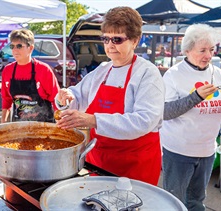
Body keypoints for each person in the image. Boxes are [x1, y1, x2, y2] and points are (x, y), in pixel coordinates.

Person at [55, 7, 164, 186]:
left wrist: (93, 120)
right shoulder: (103, 70)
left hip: (135, 165)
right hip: (100, 160)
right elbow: (78, 96)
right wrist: (66, 97)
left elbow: (145, 120)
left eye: (117, 39)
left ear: (135, 41)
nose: (110, 45)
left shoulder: (147, 73)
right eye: (106, 38)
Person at [159, 24, 221, 211]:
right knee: (173, 202)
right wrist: (196, 97)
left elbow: (220, 110)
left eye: (211, 50)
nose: (208, 55)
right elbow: (165, 112)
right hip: (179, 151)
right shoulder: (174, 75)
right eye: (202, 50)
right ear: (187, 50)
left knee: (197, 201)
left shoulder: (218, 73)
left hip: (207, 150)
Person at [0, 29, 60, 123]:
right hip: (19, 126)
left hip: (44, 126)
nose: (15, 50)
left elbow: (56, 98)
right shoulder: (8, 70)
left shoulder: (43, 70)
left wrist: (60, 122)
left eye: (19, 46)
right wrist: (3, 121)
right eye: (12, 46)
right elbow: (6, 99)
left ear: (31, 48)